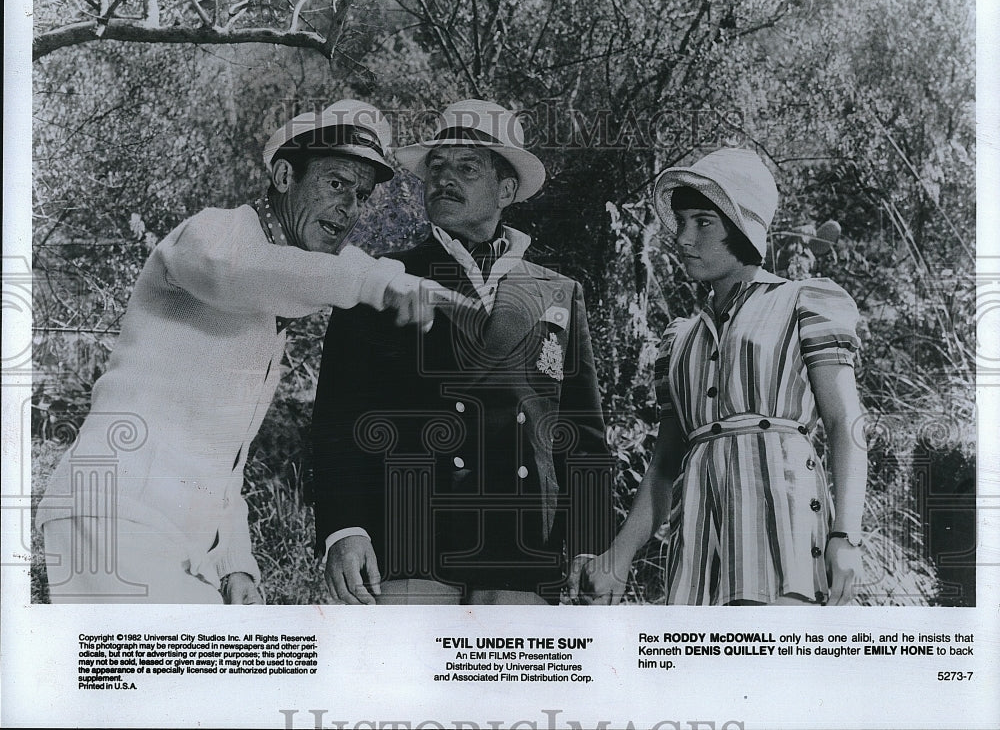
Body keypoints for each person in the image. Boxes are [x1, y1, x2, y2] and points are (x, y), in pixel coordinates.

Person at [36, 99, 458, 603]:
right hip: (116, 511)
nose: (350, 209)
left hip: (177, 542)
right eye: (337, 183)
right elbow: (234, 271)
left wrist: (237, 564)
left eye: (362, 195)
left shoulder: (271, 299)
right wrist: (379, 280)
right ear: (283, 175)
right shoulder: (213, 234)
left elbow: (223, 452)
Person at [311, 99, 614, 605]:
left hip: (524, 551)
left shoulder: (559, 292)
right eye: (436, 166)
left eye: (466, 168)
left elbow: (582, 436)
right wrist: (345, 529)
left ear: (506, 189)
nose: (443, 179)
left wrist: (589, 541)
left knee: (507, 685)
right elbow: (338, 418)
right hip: (409, 543)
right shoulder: (381, 278)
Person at [569, 148, 867, 606]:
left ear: (743, 227)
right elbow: (665, 465)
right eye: (682, 221)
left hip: (783, 534)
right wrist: (618, 557)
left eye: (703, 222)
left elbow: (846, 425)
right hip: (698, 545)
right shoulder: (680, 339)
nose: (684, 238)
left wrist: (845, 535)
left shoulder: (804, 301)